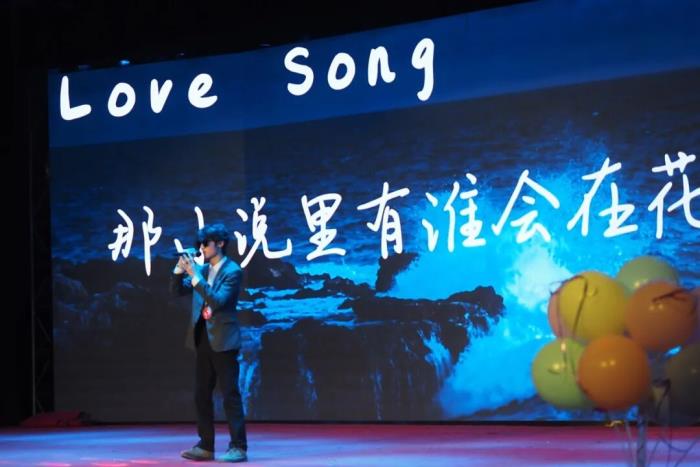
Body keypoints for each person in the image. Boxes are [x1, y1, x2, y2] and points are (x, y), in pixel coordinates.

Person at [170, 223, 248, 462]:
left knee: (230, 395)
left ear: (220, 244)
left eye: (206, 243)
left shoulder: (232, 271)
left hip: (224, 340)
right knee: (201, 394)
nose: (201, 248)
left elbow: (217, 301)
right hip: (202, 338)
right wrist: (179, 270)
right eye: (200, 244)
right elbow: (177, 291)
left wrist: (194, 275)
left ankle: (238, 447)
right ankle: (205, 446)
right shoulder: (202, 269)